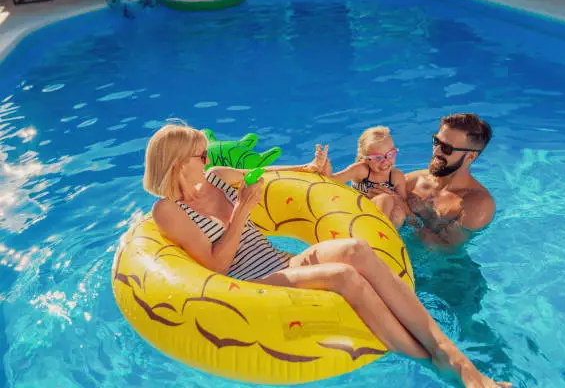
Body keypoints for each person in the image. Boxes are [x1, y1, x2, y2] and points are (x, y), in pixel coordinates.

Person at [142, 123, 510, 388]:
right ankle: (436, 364)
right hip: (247, 283)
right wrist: (241, 211)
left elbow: (267, 173)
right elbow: (217, 265)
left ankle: (448, 353)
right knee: (343, 277)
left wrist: (309, 170)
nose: (207, 157)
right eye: (200, 154)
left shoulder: (217, 176)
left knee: (355, 250)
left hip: (282, 262)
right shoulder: (168, 211)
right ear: (178, 163)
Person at [402, 112, 495, 247]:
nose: (436, 151)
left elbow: (445, 252)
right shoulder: (414, 181)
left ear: (471, 156)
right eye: (436, 142)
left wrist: (410, 216)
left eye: (447, 148)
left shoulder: (477, 204)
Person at [317, 126, 410, 228]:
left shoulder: (396, 176)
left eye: (390, 154)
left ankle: (388, 237)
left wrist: (394, 195)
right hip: (357, 212)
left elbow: (404, 203)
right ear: (365, 159)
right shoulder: (361, 170)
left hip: (380, 216)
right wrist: (324, 166)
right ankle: (379, 236)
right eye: (378, 158)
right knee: (385, 199)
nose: (385, 161)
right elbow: (331, 182)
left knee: (398, 214)